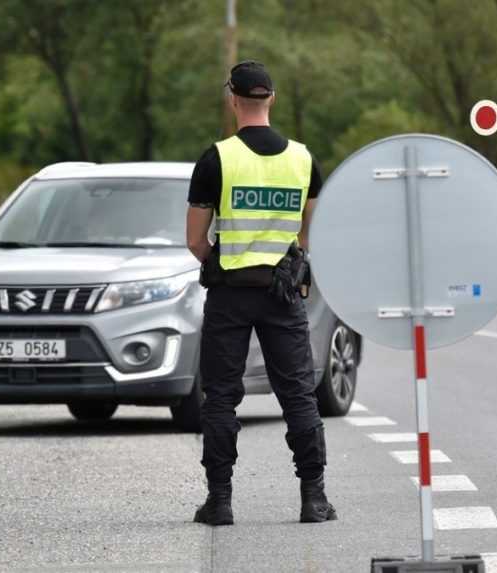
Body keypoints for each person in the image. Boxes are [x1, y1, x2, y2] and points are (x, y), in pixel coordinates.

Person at [185, 60, 335, 524]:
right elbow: (314, 232)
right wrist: (289, 261)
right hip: (284, 293)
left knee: (222, 397)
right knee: (298, 396)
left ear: (232, 98)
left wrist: (223, 263)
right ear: (272, 99)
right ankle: (314, 498)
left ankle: (221, 501)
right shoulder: (303, 160)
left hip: (230, 291)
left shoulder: (216, 159)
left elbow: (195, 240)